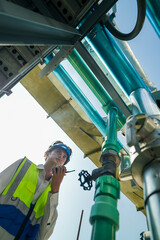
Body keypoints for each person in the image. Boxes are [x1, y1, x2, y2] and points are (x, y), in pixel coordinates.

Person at [0, 140, 72, 240]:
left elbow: (45, 232)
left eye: (64, 157)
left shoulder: (53, 192)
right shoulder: (24, 166)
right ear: (46, 154)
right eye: (58, 152)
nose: (61, 156)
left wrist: (55, 190)